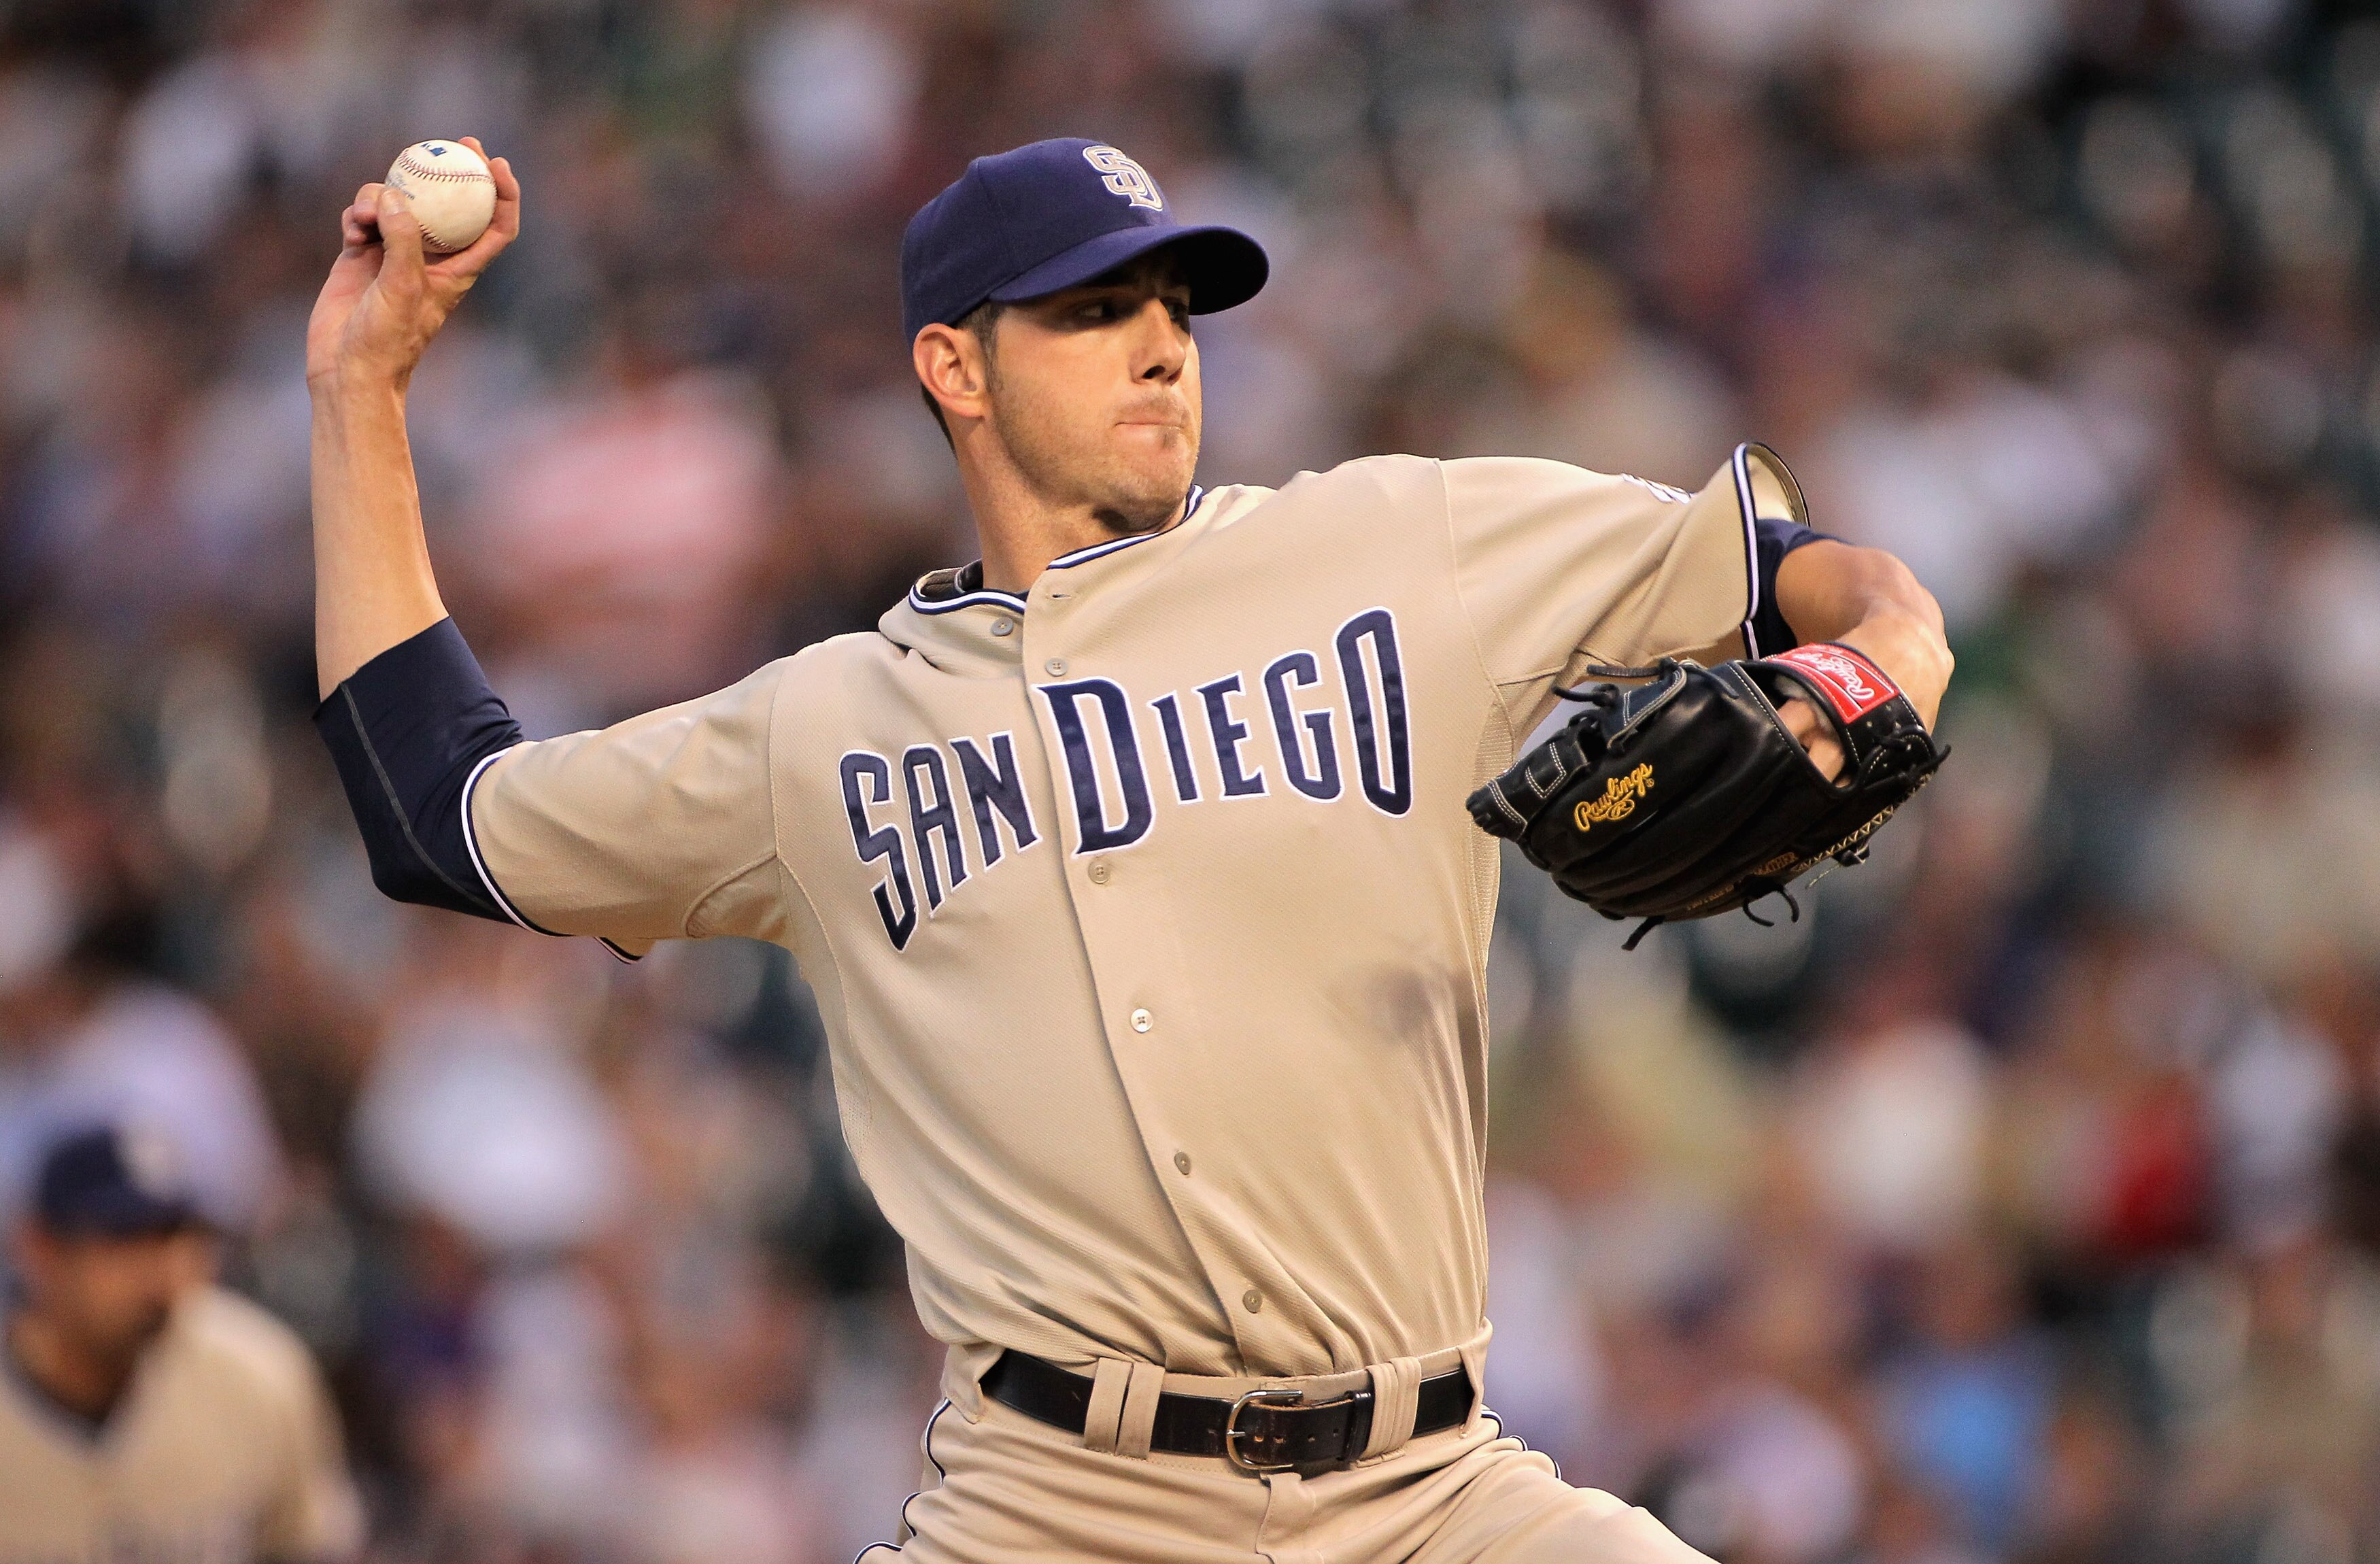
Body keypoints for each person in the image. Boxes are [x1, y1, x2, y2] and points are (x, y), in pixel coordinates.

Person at [307, 136, 1950, 1560]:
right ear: (955, 367)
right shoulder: (815, 735)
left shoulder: (1388, 549)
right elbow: (440, 814)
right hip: (1054, 1506)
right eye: (1096, 311)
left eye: (1177, 307)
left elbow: (1799, 571)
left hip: (1433, 1493)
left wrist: (1879, 663)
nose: (1163, 346)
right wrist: (361, 392)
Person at [0, 1123, 362, 1563]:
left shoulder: (260, 1374)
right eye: (124, 1238)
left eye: (177, 1237)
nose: (161, 1272)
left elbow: (313, 1544)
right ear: (39, 1248)